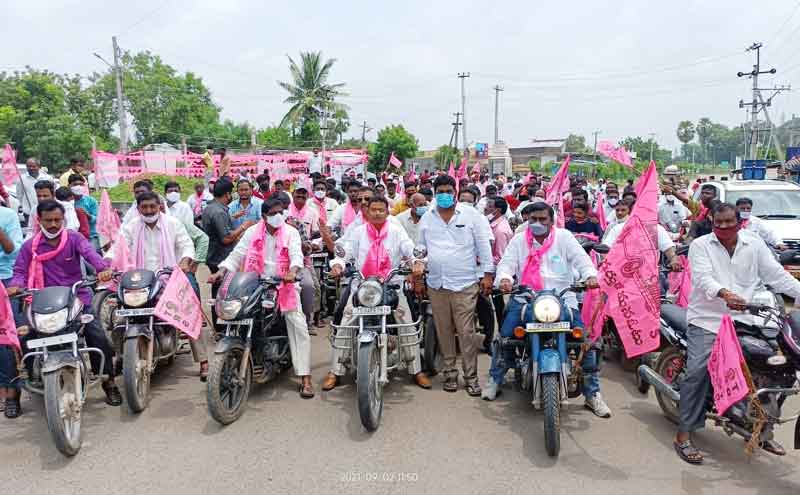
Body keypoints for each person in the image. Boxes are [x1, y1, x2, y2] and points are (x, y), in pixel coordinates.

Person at [674, 202, 800, 464]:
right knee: (697, 372)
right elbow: (703, 278)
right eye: (717, 223)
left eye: (728, 222)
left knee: (778, 368)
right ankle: (683, 436)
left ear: (739, 222)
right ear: (711, 223)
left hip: (748, 317)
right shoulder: (701, 245)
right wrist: (725, 294)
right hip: (708, 321)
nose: (722, 227)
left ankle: (761, 430)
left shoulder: (754, 244)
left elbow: (776, 275)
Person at [482, 202, 611, 416]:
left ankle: (592, 394)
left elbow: (582, 261)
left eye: (543, 219)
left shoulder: (564, 238)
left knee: (586, 342)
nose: (538, 223)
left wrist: (589, 275)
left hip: (562, 299)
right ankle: (496, 378)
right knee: (505, 337)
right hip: (526, 298)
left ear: (552, 221)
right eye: (533, 219)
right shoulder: (519, 240)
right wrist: (504, 278)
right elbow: (506, 265)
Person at [7, 200, 122, 408]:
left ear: (64, 219)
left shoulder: (74, 238)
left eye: (57, 220)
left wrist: (102, 268)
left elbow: (91, 255)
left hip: (76, 299)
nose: (53, 224)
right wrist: (15, 285)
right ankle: (22, 387)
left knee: (96, 335)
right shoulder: (29, 246)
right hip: (40, 303)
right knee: (24, 338)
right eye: (48, 220)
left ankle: (109, 382)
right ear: (38, 220)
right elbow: (20, 272)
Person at [322, 196, 431, 390]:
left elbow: (410, 249)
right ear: (367, 212)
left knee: (407, 324)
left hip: (391, 287)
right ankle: (335, 371)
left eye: (381, 209)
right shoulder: (357, 232)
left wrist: (417, 262)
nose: (378, 213)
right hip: (362, 288)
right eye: (374, 210)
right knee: (345, 324)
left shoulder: (397, 231)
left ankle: (416, 370)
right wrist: (338, 266)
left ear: (387, 212)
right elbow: (343, 252)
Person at [210, 198, 314, 398]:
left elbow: (296, 256)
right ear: (264, 216)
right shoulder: (252, 232)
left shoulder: (290, 232)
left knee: (297, 323)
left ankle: (305, 377)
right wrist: (221, 271)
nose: (278, 216)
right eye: (274, 213)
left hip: (284, 284)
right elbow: (237, 254)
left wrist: (293, 271)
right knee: (240, 314)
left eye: (281, 211)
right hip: (255, 283)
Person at [414, 174, 494, 396]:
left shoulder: (471, 216)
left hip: (465, 283)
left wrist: (487, 275)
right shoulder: (427, 218)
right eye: (440, 192)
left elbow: (483, 247)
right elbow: (420, 250)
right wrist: (418, 275)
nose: (445, 195)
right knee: (444, 331)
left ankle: (471, 377)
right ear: (435, 193)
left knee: (466, 332)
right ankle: (449, 374)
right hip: (437, 284)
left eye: (449, 191)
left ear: (456, 193)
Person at [202, 180, 255, 319]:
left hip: (215, 255)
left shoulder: (212, 208)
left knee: (219, 290)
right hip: (220, 257)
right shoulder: (219, 211)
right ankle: (221, 325)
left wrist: (233, 217)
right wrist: (244, 226)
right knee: (222, 292)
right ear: (227, 194)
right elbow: (226, 238)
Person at [285, 186, 323, 331]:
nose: (300, 199)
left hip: (304, 257)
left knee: (312, 286)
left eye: (303, 196)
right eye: (297, 196)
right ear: (293, 196)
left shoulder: (312, 212)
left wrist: (313, 244)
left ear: (307, 197)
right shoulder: (285, 212)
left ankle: (310, 320)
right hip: (283, 259)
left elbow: (317, 234)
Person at [0, 201, 22, 417]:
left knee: (6, 342)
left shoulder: (7, 216)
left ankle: (13, 394)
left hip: (5, 280)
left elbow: (14, 250)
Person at [16, 157, 52, 227]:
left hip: (46, 210)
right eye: (29, 166)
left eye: (33, 166)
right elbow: (19, 195)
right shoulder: (22, 179)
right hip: (28, 212)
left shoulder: (47, 178)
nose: (31, 168)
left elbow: (53, 193)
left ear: (38, 166)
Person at [68, 174, 99, 248]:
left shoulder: (91, 201)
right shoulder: (66, 202)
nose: (78, 187)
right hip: (71, 237)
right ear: (69, 186)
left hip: (90, 236)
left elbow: (97, 219)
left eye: (81, 184)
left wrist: (87, 215)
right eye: (75, 184)